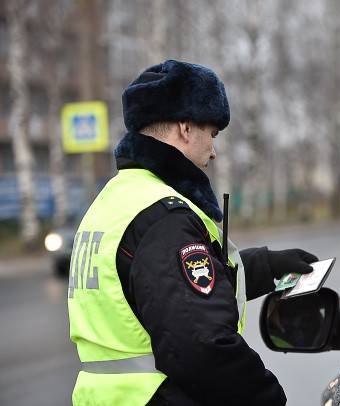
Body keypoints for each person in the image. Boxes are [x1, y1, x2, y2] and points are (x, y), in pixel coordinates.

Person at [67, 59, 319, 405]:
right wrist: (270, 399)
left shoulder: (112, 203)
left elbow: (155, 289)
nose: (213, 151)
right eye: (212, 134)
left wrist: (262, 266)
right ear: (186, 128)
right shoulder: (164, 217)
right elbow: (202, 347)